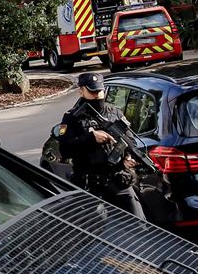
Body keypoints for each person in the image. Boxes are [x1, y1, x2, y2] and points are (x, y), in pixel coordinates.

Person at [56, 73, 143, 217]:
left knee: (140, 226)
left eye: (99, 91)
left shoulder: (115, 113)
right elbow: (64, 150)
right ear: (81, 91)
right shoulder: (72, 118)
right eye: (92, 91)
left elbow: (131, 142)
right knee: (94, 233)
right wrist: (90, 138)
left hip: (118, 180)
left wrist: (128, 157)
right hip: (91, 186)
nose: (97, 95)